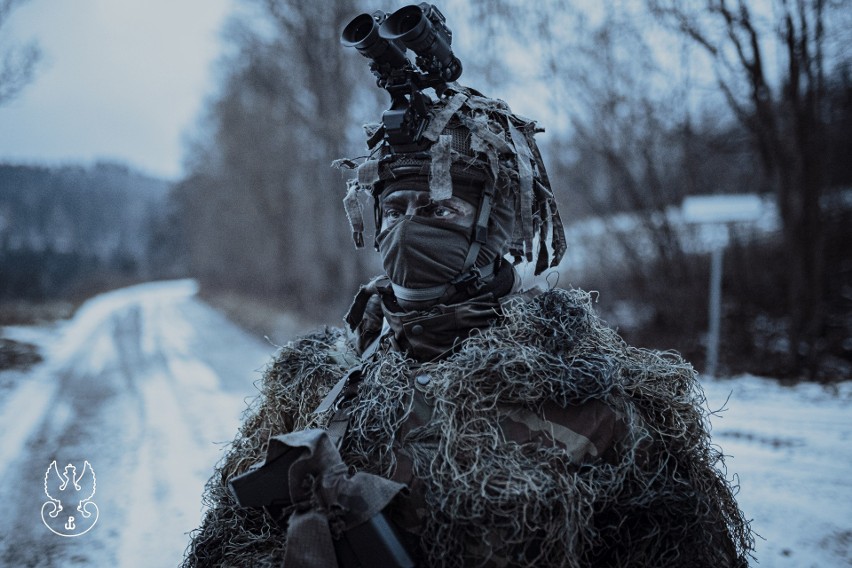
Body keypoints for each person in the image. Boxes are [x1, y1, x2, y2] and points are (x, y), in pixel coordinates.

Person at [183, 5, 753, 567]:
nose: (408, 226)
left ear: (496, 228)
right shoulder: (311, 385)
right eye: (395, 207)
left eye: (441, 207)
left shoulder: (589, 399)